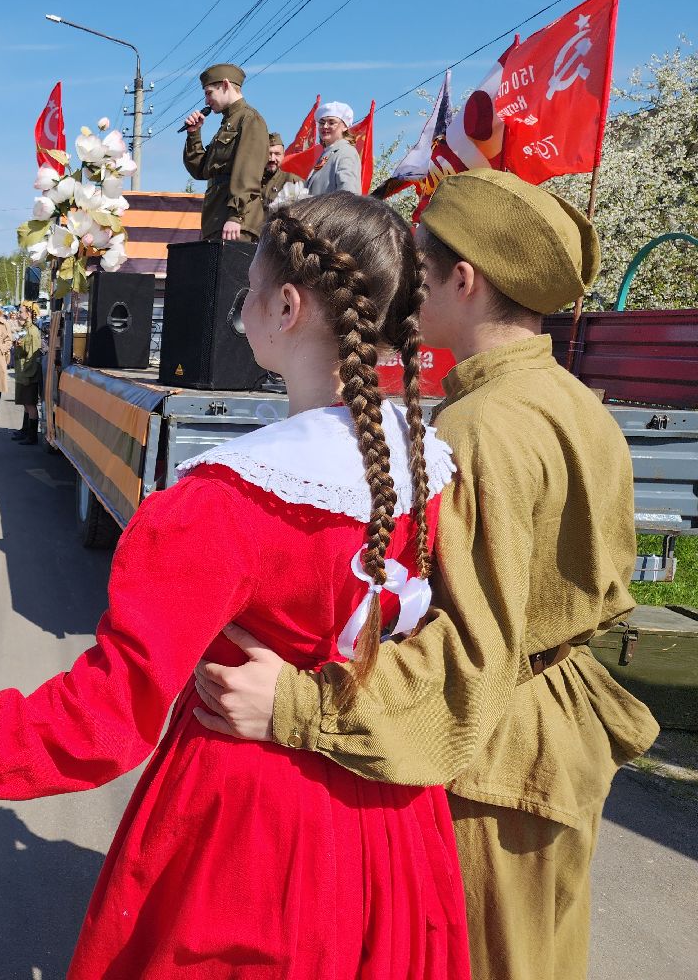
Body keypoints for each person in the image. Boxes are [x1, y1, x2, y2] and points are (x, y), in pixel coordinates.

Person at [0, 192, 471, 979]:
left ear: (288, 307)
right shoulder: (426, 465)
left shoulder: (227, 504)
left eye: (246, 292)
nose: (234, 311)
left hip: (255, 831)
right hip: (394, 820)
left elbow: (109, 712)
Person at [192, 169, 660, 980]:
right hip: (556, 730)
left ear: (464, 281)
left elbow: (471, 651)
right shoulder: (576, 402)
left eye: (419, 262)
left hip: (495, 755)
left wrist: (299, 706)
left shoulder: (479, 431)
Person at [182, 63, 269, 243]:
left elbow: (248, 171)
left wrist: (236, 216)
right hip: (216, 217)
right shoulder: (228, 123)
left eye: (209, 93)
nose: (206, 101)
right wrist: (193, 134)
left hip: (236, 222)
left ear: (225, 85)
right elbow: (201, 170)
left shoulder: (249, 119)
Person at [305, 102, 363, 197]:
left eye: (331, 122)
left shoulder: (346, 152)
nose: (325, 126)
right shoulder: (326, 154)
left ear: (344, 127)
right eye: (322, 123)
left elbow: (349, 194)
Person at [9, 303, 43, 445]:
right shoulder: (24, 330)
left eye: (21, 311)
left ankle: (32, 436)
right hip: (23, 372)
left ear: (28, 314)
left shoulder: (33, 331)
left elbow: (33, 356)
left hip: (28, 373)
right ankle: (25, 430)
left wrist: (29, 375)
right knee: (25, 403)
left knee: (30, 404)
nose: (18, 314)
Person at [261, 131, 303, 211]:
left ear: (283, 155)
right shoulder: (251, 180)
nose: (272, 159)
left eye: (277, 154)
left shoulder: (293, 181)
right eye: (269, 154)